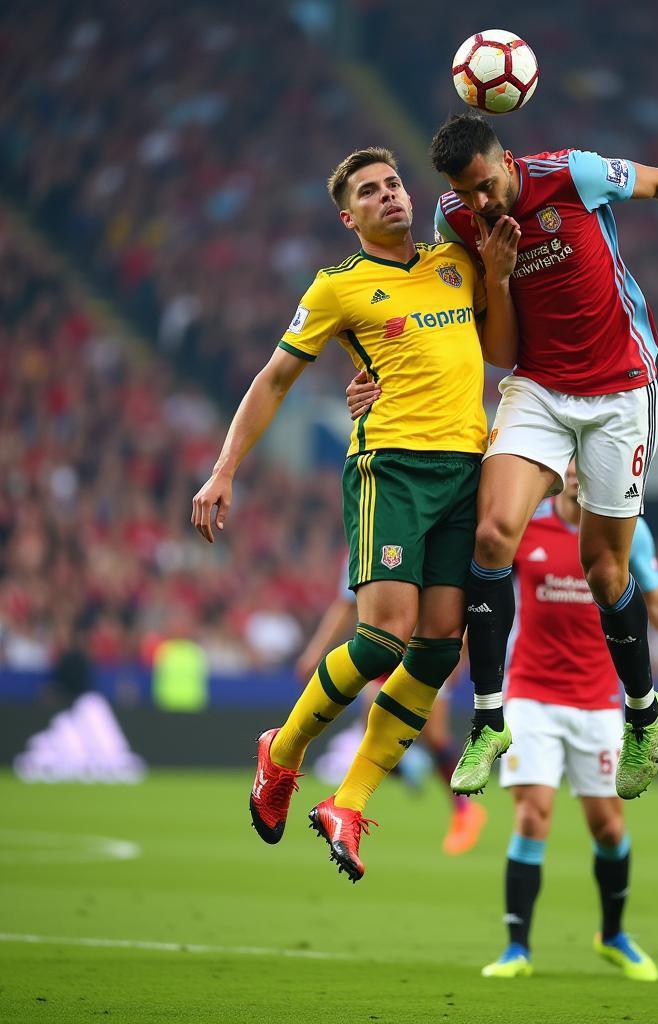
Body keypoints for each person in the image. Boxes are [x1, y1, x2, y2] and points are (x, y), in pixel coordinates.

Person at [424, 113, 658, 799]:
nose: (480, 203)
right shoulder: (455, 223)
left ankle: (644, 712)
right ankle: (489, 717)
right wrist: (496, 279)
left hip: (621, 388)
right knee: (494, 532)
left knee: (603, 566)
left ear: (507, 161)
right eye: (464, 193)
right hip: (536, 386)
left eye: (485, 186)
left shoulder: (570, 174)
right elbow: (498, 353)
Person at [191, 146, 519, 881]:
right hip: (391, 470)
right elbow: (275, 378)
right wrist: (224, 469)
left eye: (395, 183)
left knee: (438, 650)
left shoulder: (456, 263)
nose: (389, 196)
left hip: (467, 470)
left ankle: (349, 801)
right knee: (384, 636)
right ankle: (281, 753)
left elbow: (499, 353)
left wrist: (497, 276)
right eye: (370, 192)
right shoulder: (337, 287)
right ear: (350, 217)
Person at [479, 461, 658, 980]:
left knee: (608, 825)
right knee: (532, 814)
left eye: (586, 463)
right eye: (569, 463)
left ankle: (614, 935)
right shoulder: (524, 521)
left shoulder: (626, 529)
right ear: (557, 471)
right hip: (531, 694)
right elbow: (484, 590)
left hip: (599, 702)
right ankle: (517, 949)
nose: (577, 473)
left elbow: (657, 602)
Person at [296, 567, 486, 856]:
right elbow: (345, 604)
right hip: (384, 645)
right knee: (371, 724)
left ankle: (464, 810)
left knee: (434, 734)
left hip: (427, 647)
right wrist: (316, 651)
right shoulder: (365, 537)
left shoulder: (435, 529)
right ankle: (408, 769)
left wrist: (459, 650)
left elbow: (461, 593)